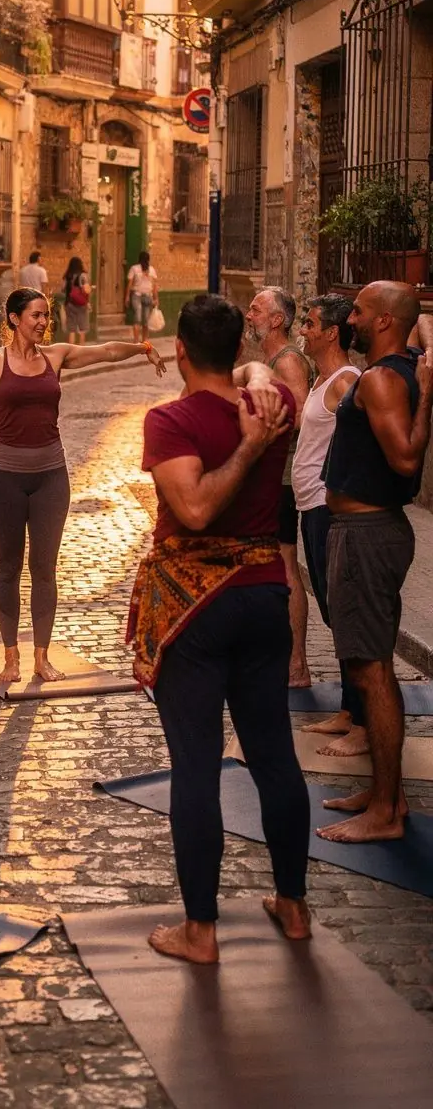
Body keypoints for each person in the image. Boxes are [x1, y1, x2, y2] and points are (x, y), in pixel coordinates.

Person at [128, 294, 310, 964]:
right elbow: (274, 381)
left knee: (197, 770)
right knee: (273, 757)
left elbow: (197, 508)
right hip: (262, 596)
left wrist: (244, 450)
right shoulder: (272, 404)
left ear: (179, 350)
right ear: (239, 349)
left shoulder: (171, 420)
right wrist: (258, 396)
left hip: (195, 613)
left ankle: (201, 931)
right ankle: (292, 905)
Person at [0, 290, 165, 686]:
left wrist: (142, 346)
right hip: (4, 479)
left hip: (52, 477)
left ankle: (41, 657)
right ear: (15, 318)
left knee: (44, 569)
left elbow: (105, 351)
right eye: (35, 315)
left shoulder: (56, 356)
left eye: (46, 316)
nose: (42, 322)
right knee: (8, 567)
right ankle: (10, 657)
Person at [317, 282, 432, 845]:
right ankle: (387, 792)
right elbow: (421, 328)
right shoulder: (399, 364)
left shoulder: (385, 378)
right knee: (373, 667)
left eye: (359, 311)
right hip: (362, 531)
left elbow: (406, 457)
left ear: (384, 321)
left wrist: (428, 393)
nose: (351, 319)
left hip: (366, 535)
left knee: (372, 671)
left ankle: (385, 810)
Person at [292, 295, 366, 754]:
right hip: (310, 508)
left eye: (311, 323)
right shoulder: (321, 380)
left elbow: (364, 444)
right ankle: (347, 709)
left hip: (328, 509)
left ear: (332, 332)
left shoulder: (347, 381)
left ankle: (362, 723)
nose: (304, 329)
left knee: (346, 613)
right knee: (331, 613)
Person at [239, 286, 313, 687]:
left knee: (286, 565)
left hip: (283, 477)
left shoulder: (287, 361)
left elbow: (300, 416)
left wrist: (258, 431)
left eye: (256, 310)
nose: (249, 316)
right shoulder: (270, 359)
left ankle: (297, 664)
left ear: (276, 320)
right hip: (273, 474)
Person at [125, 251, 158, 344]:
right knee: (146, 320)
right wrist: (156, 298)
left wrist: (127, 297)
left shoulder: (134, 269)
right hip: (148, 295)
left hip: (137, 295)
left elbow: (130, 284)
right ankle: (145, 340)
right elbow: (155, 286)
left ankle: (136, 341)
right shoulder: (152, 270)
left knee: (137, 318)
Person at [63, 256, 92, 344]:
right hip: (81, 304)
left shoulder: (67, 276)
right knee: (82, 329)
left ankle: (71, 351)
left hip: (69, 304)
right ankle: (81, 350)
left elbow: (63, 289)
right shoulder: (82, 276)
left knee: (71, 329)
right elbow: (86, 290)